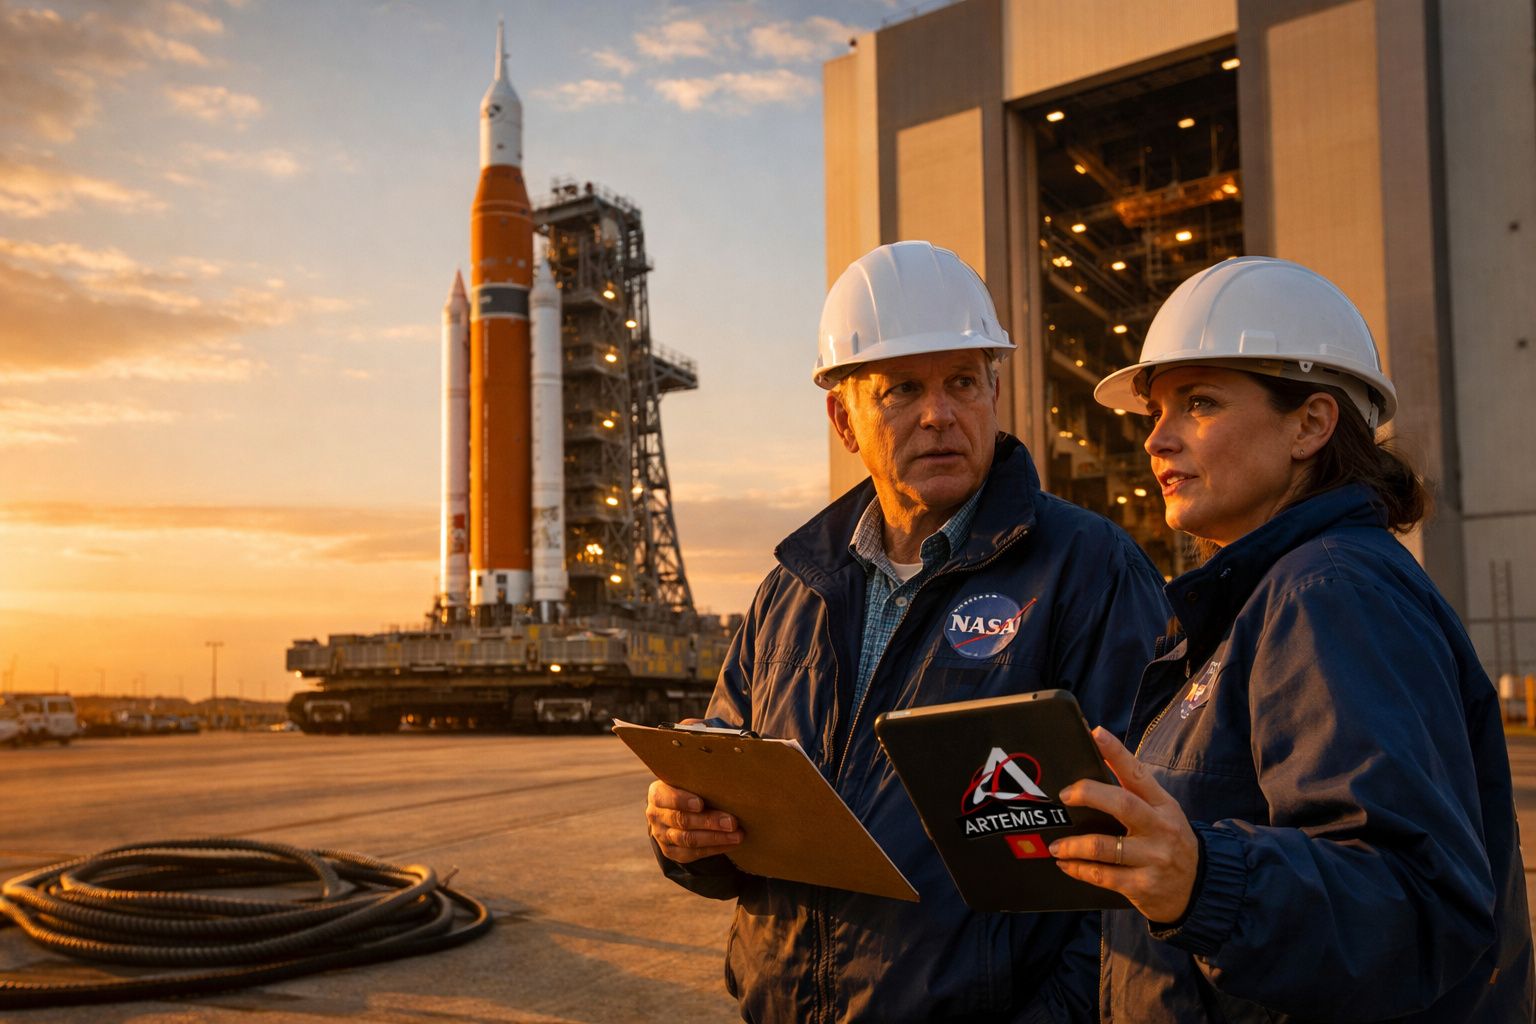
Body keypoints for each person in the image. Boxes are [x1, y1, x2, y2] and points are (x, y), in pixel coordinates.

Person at [644, 241, 1170, 1022]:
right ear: (843, 420)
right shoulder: (791, 590)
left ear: (994, 392)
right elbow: (729, 802)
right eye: (902, 390)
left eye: (963, 382)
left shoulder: (1088, 571)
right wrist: (684, 834)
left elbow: (1142, 858)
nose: (939, 414)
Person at [1045, 256, 1534, 1021]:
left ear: (1311, 424)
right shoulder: (1264, 600)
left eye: (1198, 403)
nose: (1157, 441)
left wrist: (1203, 881)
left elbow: (1416, 905)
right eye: (1155, 413)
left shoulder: (1330, 593)